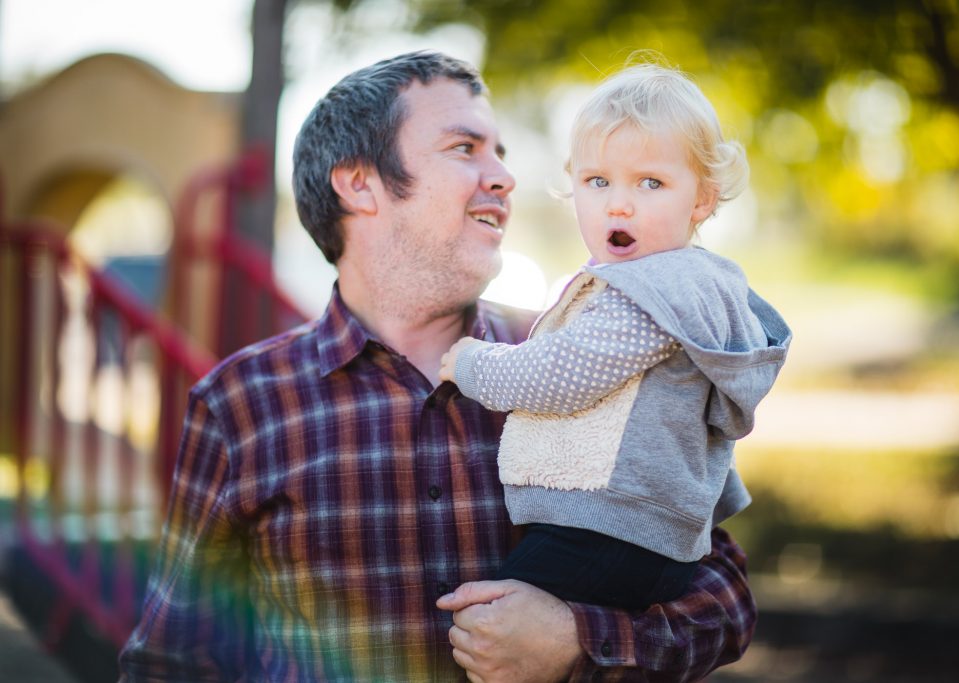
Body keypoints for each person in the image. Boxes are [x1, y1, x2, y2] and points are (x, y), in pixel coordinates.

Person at [119, 51, 757, 682]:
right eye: (464, 148)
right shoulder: (241, 404)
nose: (503, 177)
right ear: (360, 183)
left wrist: (576, 640)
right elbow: (171, 662)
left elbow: (722, 601)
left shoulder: (580, 352)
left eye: (500, 152)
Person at [438, 62, 791, 613]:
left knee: (487, 627)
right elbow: (689, 429)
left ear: (701, 201)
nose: (618, 203)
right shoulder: (685, 290)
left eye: (651, 183)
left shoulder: (648, 294)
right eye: (597, 181)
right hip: (641, 537)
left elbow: (557, 376)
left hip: (606, 528)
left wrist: (470, 362)